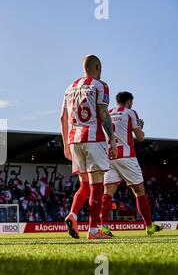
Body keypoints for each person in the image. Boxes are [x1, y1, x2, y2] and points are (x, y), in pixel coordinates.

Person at [60, 55, 117, 240]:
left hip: (74, 140)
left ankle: (73, 215)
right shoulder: (100, 85)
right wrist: (113, 139)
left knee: (84, 185)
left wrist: (65, 144)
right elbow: (103, 113)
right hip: (94, 139)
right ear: (98, 67)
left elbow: (63, 117)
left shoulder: (69, 87)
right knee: (97, 185)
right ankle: (93, 230)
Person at [100, 91, 163, 236]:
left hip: (110, 157)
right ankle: (149, 226)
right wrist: (140, 127)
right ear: (128, 102)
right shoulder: (130, 112)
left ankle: (104, 227)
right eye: (131, 102)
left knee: (107, 193)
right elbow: (140, 138)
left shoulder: (108, 113)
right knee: (139, 191)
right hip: (127, 157)